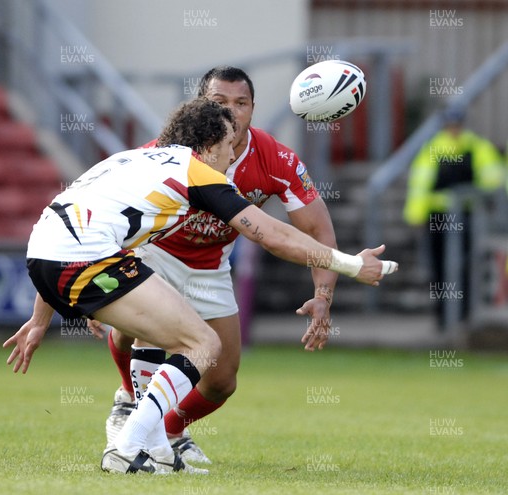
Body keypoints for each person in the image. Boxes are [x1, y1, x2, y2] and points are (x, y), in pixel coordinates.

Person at [4, 98, 398, 475]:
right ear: (207, 147)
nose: (232, 156)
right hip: (84, 258)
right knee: (203, 344)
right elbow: (275, 236)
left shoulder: (134, 158)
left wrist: (41, 318)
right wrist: (349, 264)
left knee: (162, 336)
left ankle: (156, 448)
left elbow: (66, 228)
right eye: (228, 146)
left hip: (45, 252)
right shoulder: (198, 172)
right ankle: (125, 447)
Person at [99, 66, 355, 464]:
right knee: (133, 330)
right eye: (220, 103)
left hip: (210, 268)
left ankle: (169, 431)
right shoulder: (165, 151)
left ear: (254, 109)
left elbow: (318, 233)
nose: (233, 113)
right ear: (202, 106)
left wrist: (323, 295)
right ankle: (129, 405)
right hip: (155, 253)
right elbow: (113, 213)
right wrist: (96, 285)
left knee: (221, 379)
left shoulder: (277, 159)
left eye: (242, 103)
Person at [404, 107, 504, 328]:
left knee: (467, 265)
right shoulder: (432, 150)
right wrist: (416, 216)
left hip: (467, 218)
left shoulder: (477, 147)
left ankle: (464, 314)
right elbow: (419, 187)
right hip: (437, 219)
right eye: (450, 125)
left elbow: (493, 180)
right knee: (439, 268)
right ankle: (443, 315)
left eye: (456, 125)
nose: (454, 130)